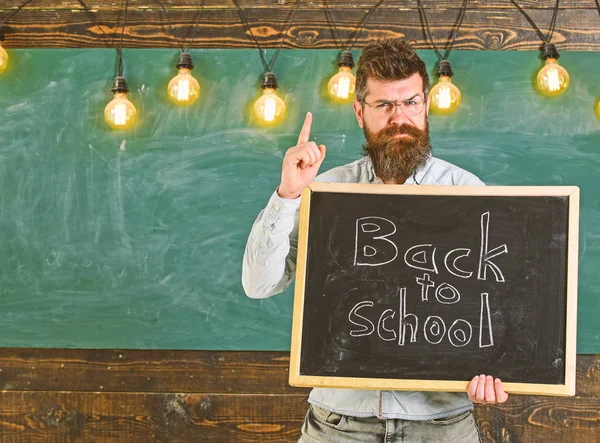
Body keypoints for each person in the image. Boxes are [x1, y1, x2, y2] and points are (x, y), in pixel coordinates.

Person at [242, 38, 508, 443]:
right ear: (359, 111)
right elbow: (259, 285)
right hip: (337, 424)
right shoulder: (325, 191)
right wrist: (288, 195)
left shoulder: (466, 191)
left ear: (426, 104)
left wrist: (498, 370)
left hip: (441, 426)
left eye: (411, 103)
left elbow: (501, 310)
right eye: (384, 105)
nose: (399, 118)